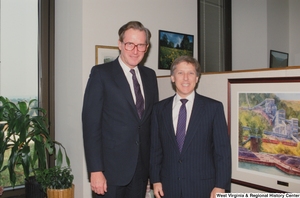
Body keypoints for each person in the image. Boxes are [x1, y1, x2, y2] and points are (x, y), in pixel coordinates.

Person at [82, 21, 159, 198]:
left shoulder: (150, 76)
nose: (135, 50)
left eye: (141, 45)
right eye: (130, 44)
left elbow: (152, 125)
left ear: (146, 47)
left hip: (140, 172)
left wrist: (152, 172)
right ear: (120, 44)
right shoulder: (101, 74)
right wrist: (95, 170)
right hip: (110, 173)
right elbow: (90, 126)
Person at [150, 56, 231, 198]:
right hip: (168, 187)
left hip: (203, 188)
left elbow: (222, 152)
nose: (186, 78)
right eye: (180, 73)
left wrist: (220, 186)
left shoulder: (213, 108)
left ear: (197, 78)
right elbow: (155, 149)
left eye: (191, 73)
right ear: (172, 77)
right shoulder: (159, 109)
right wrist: (155, 180)